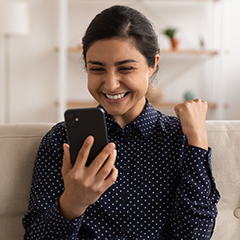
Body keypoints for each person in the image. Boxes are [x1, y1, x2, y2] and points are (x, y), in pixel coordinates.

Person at [23, 5, 220, 240]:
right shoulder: (60, 141)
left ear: (152, 65)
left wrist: (197, 140)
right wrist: (72, 204)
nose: (111, 84)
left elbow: (193, 236)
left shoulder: (180, 138)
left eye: (125, 68)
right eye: (97, 69)